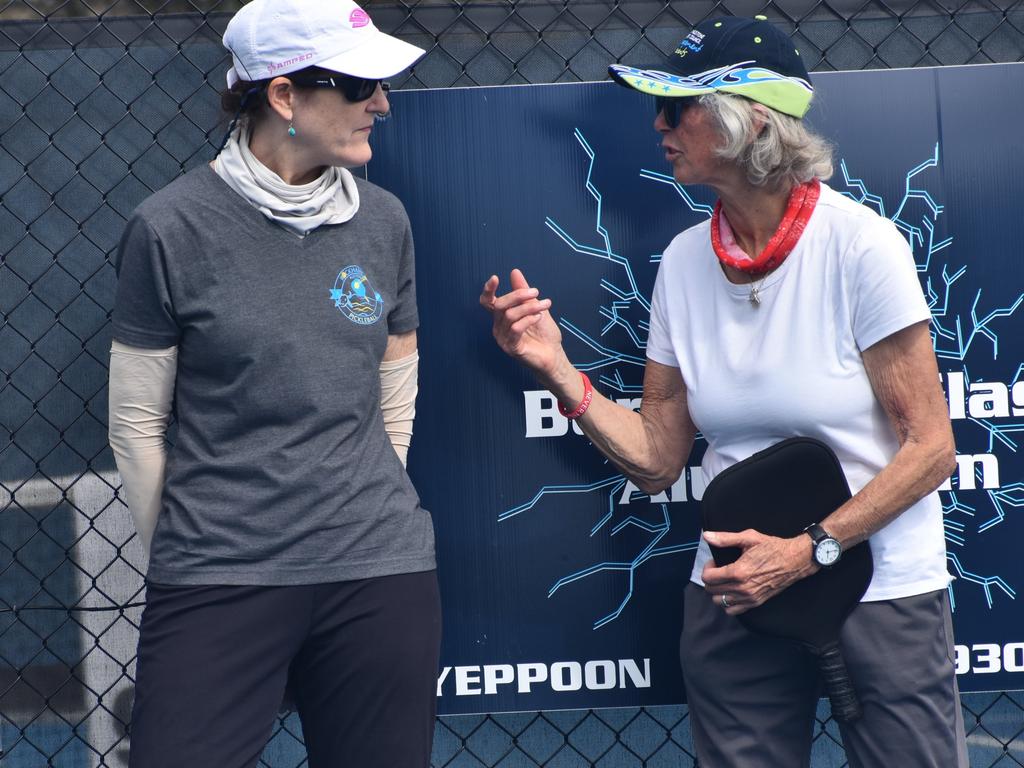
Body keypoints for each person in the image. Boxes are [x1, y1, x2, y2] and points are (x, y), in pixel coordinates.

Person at [481, 16, 968, 768]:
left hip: (880, 588)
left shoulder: (861, 246)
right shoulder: (682, 262)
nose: (659, 125)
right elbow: (658, 460)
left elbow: (931, 450)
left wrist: (812, 551)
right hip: (734, 589)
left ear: (749, 123)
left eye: (678, 108)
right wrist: (556, 369)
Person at [107, 1, 439, 766]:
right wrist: (201, 549)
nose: (381, 104)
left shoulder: (384, 221)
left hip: (378, 571)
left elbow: (396, 386)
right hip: (218, 574)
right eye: (360, 86)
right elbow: (135, 423)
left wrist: (360, 504)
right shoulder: (169, 228)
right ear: (285, 96)